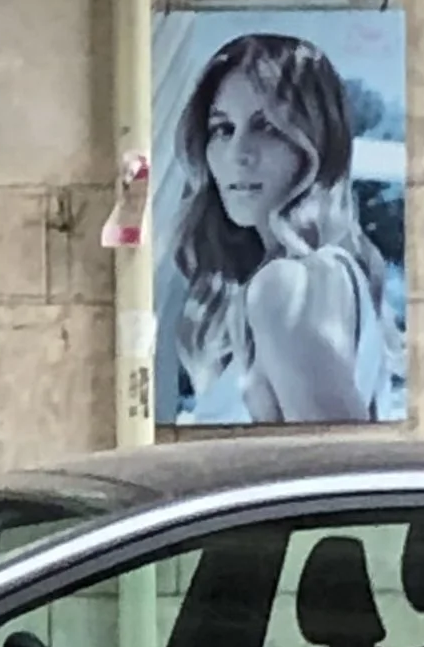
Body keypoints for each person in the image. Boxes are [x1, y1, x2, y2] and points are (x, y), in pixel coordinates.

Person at [169, 31, 399, 426]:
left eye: (269, 128)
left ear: (314, 144)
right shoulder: (328, 275)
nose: (239, 154)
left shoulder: (287, 286)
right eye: (223, 129)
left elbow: (334, 472)